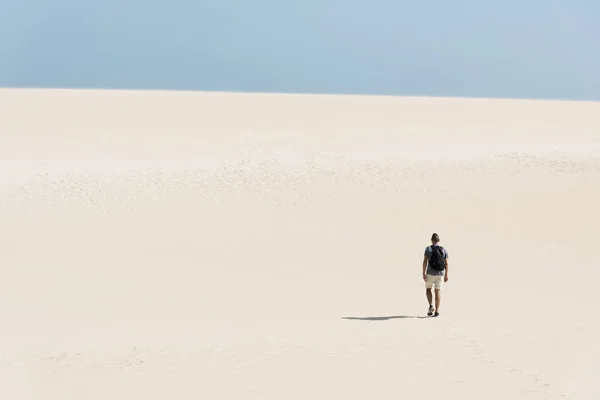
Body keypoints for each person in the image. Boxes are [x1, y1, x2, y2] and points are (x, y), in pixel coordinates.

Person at [422, 233, 448, 317]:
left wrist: (423, 273)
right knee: (438, 291)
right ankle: (437, 312)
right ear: (438, 240)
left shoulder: (428, 249)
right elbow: (446, 263)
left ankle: (430, 306)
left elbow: (425, 261)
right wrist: (446, 274)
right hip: (440, 274)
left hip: (430, 273)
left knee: (428, 289)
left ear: (432, 240)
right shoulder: (443, 250)